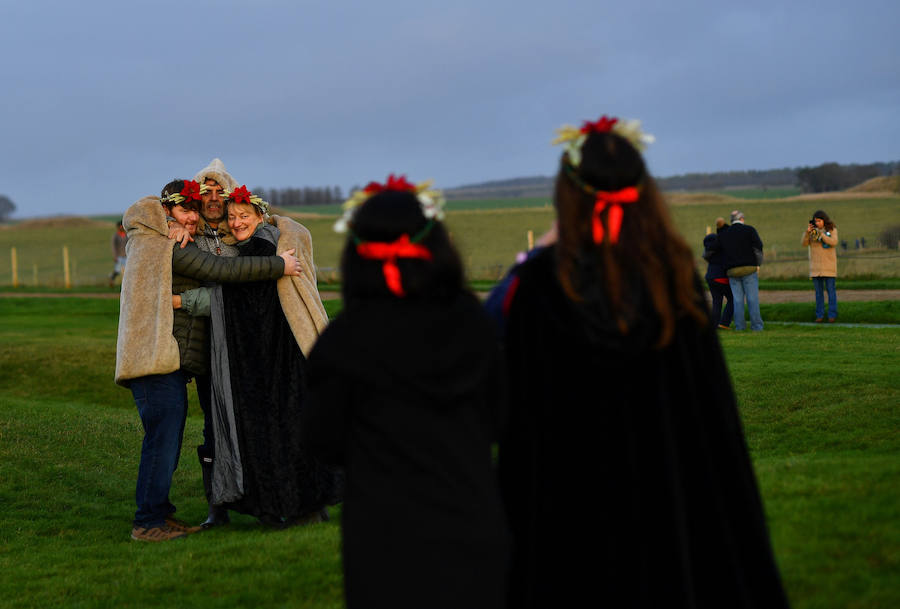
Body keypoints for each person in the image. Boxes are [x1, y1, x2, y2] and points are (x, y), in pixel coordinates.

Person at [487, 116, 789, 608]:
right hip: (667, 501)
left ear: (568, 197)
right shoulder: (670, 275)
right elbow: (714, 427)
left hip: (566, 511)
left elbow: (502, 387)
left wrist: (534, 256)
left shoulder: (542, 284)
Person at [302, 176, 509, 609]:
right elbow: (501, 416)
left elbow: (321, 438)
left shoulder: (343, 340)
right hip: (468, 511)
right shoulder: (472, 322)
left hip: (383, 527)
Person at [115, 179, 302, 542]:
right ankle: (147, 522)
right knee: (161, 440)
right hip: (152, 361)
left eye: (193, 211)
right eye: (183, 211)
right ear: (166, 210)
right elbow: (221, 272)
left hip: (166, 361)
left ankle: (161, 516)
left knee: (167, 438)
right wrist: (279, 264)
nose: (190, 219)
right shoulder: (166, 244)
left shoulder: (165, 238)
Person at [178, 185, 336, 527]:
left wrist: (182, 302)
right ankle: (293, 507)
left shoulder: (265, 243)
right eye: (233, 216)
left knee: (283, 429)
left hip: (274, 357)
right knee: (278, 428)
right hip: (263, 356)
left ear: (260, 216)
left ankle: (299, 507)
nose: (236, 222)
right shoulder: (258, 244)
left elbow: (238, 293)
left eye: (243, 216)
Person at [718, 209, 764, 331]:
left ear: (731, 220)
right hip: (749, 269)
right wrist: (758, 264)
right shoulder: (750, 230)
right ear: (742, 219)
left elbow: (721, 252)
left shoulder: (725, 233)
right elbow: (758, 247)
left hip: (732, 271)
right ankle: (757, 326)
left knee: (737, 300)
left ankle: (740, 327)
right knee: (752, 298)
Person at [802, 209, 838, 322]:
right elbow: (804, 243)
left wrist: (821, 235)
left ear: (824, 220)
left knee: (831, 292)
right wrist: (808, 232)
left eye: (819, 221)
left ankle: (832, 315)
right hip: (816, 268)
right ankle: (820, 315)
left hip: (829, 267)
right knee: (818, 294)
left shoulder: (831, 229)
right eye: (815, 221)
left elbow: (834, 242)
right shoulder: (812, 232)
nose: (817, 223)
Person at [702, 217, 734, 329]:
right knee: (733, 298)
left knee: (717, 302)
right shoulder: (721, 248)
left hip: (710, 277)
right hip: (721, 277)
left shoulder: (708, 252)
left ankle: (714, 324)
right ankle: (724, 323)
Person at [109, 219, 127, 285]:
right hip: (119, 256)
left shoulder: (126, 235)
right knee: (117, 270)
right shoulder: (115, 236)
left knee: (125, 271)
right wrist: (115, 256)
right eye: (120, 226)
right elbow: (113, 246)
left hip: (126, 255)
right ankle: (111, 278)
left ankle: (124, 284)